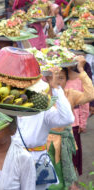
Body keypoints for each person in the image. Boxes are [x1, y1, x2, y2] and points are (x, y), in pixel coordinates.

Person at [13, 59, 76, 190]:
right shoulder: (6, 106)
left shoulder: (42, 108)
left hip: (36, 163)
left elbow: (68, 118)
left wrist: (55, 88)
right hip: (12, 163)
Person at [47, 56, 94, 190]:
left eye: (61, 78)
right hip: (46, 143)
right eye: (54, 77)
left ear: (67, 80)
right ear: (48, 78)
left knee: (66, 177)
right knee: (49, 179)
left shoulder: (70, 94)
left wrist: (80, 70)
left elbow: (90, 95)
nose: (57, 81)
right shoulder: (42, 96)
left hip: (66, 142)